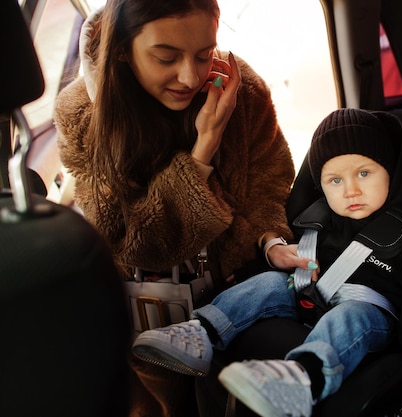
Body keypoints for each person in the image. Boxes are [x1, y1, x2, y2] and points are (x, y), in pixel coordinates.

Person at [53, 0, 313, 415]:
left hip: (235, 296)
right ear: (122, 48)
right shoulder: (82, 114)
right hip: (144, 320)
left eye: (204, 54)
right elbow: (133, 241)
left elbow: (271, 186)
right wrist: (203, 149)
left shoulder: (240, 90)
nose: (190, 76)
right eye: (166, 57)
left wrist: (268, 239)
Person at [131, 108, 402, 417]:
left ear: (390, 170)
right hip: (310, 296)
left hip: (370, 315)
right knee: (271, 282)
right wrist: (245, 275)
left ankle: (302, 377)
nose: (351, 190)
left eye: (364, 174)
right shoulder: (319, 216)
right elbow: (287, 259)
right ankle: (201, 333)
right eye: (334, 181)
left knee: (352, 315)